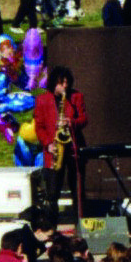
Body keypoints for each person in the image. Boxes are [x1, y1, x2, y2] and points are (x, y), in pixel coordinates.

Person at [33, 66, 86, 226]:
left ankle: (80, 226)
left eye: (66, 83)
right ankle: (51, 227)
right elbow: (39, 126)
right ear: (53, 83)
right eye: (61, 83)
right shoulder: (42, 100)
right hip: (54, 152)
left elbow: (84, 118)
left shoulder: (76, 97)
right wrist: (48, 144)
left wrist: (72, 122)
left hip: (73, 150)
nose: (65, 86)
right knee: (52, 192)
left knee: (77, 190)